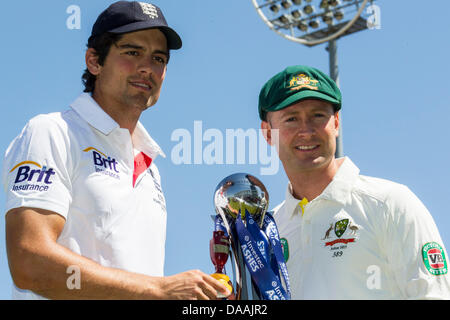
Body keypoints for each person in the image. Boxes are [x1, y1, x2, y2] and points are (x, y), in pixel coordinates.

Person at [2, 1, 229, 300]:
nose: (147, 67)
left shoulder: (151, 168)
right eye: (132, 52)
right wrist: (157, 289)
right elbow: (29, 262)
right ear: (94, 61)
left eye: (159, 58)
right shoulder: (52, 132)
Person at [259, 65, 450, 299]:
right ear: (268, 133)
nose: (306, 131)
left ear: (336, 123)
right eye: (291, 119)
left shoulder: (390, 203)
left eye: (318, 116)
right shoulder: (267, 231)